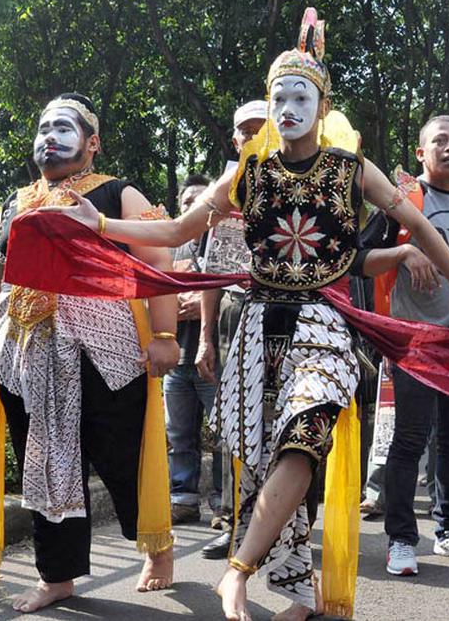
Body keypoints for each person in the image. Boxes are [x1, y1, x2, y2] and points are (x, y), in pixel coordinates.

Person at [38, 8, 449, 621]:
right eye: (278, 97)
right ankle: (294, 592)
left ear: (321, 103)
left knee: (302, 439)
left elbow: (420, 226)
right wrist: (99, 222)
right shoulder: (247, 173)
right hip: (257, 325)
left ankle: (237, 572)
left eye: (301, 96)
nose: (288, 107)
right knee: (264, 461)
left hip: (324, 324)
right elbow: (180, 228)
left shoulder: (351, 170)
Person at [0, 93, 177, 612]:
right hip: (26, 354)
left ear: (92, 144)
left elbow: (158, 263)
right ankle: (58, 576)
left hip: (107, 354)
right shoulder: (14, 204)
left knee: (121, 458)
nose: (49, 136)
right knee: (47, 463)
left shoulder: (119, 195)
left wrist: (164, 336)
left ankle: (156, 547)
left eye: (64, 127)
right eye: (43, 128)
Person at [367, 115, 449, 576]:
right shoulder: (400, 202)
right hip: (413, 339)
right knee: (410, 439)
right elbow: (359, 259)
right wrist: (403, 251)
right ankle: (401, 539)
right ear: (421, 153)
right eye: (439, 141)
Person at [199, 100, 267, 559]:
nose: (254, 137)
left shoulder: (309, 177)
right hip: (234, 310)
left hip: (291, 310)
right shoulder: (224, 193)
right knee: (233, 419)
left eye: (262, 129)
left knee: (285, 419)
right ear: (235, 139)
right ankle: (233, 520)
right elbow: (210, 273)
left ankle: (285, 518)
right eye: (246, 131)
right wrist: (205, 335)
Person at [166, 174, 222, 525]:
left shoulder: (225, 243)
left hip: (214, 359)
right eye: (186, 202)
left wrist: (202, 307)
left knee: (223, 435)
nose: (191, 207)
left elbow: (237, 289)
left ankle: (222, 505)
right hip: (176, 360)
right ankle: (183, 499)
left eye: (199, 201)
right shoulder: (171, 247)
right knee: (178, 435)